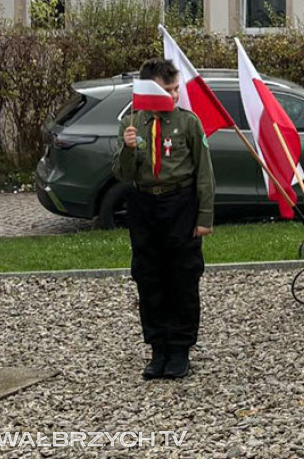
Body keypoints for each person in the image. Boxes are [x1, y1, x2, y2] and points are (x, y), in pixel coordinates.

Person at [112, 58, 214, 380]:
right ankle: (158, 348)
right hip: (145, 205)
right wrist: (128, 149)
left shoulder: (188, 123)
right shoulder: (133, 123)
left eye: (175, 89)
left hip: (180, 203)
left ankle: (180, 349)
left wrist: (204, 217)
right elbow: (122, 173)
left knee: (182, 276)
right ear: (147, 90)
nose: (172, 96)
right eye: (164, 90)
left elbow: (205, 174)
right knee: (149, 276)